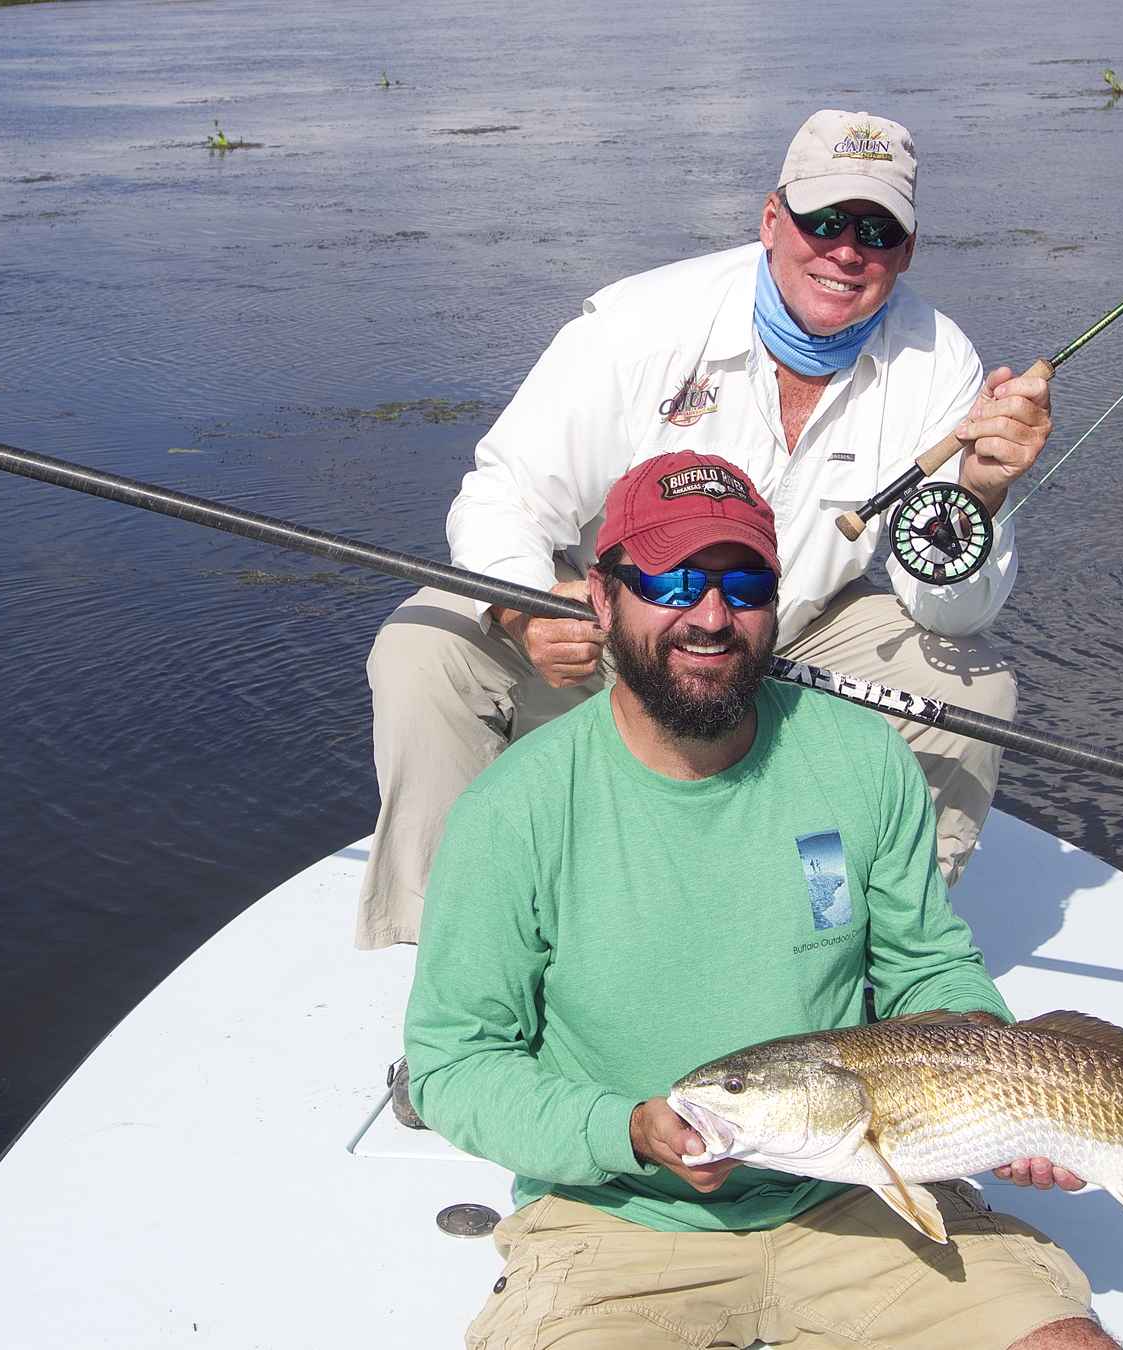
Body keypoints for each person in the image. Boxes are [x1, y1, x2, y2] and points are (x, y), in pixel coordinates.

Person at [404, 453, 1110, 1349]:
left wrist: (1002, 1093)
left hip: (864, 1193)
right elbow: (454, 1064)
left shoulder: (861, 757)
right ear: (600, 599)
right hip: (617, 1218)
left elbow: (925, 963)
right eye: (671, 581)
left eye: (744, 585)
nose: (711, 616)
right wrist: (624, 1129)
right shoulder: (514, 809)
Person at [359, 109, 1051, 950]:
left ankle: (877, 946)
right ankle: (455, 949)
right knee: (424, 645)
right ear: (772, 219)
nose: (845, 250)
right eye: (824, 220)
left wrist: (978, 494)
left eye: (876, 229)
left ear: (906, 251)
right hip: (623, 622)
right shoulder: (638, 328)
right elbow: (502, 494)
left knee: (970, 689)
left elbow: (950, 613)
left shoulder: (941, 363)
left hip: (789, 636)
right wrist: (526, 606)